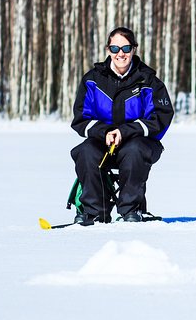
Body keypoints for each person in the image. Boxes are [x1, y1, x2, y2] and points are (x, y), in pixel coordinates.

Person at [70, 27, 174, 223]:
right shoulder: (92, 80)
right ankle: (93, 212)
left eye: (126, 48)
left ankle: (131, 211)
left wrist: (125, 131)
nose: (121, 54)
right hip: (103, 143)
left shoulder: (149, 80)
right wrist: (105, 132)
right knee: (86, 151)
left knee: (134, 150)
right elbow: (80, 119)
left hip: (139, 143)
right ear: (108, 50)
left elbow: (161, 117)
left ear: (134, 49)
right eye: (115, 48)